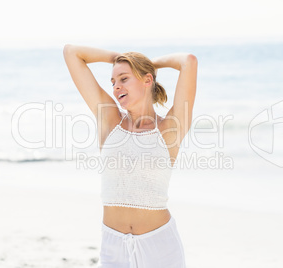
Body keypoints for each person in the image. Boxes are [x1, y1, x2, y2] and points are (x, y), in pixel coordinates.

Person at [63, 45, 197, 268]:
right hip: (112, 247)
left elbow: (189, 62)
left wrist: (149, 63)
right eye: (113, 82)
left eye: (124, 79)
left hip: (160, 248)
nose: (116, 87)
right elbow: (71, 53)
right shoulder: (109, 119)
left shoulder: (169, 128)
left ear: (147, 80)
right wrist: (119, 58)